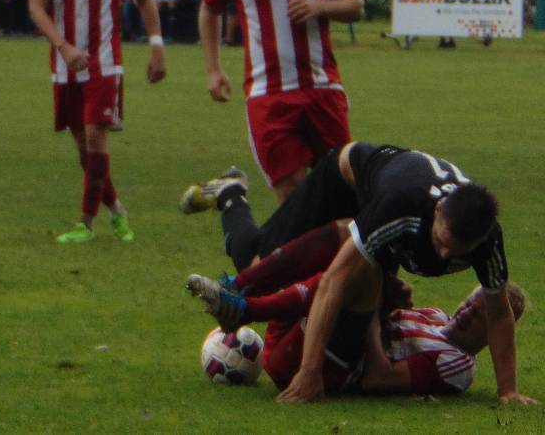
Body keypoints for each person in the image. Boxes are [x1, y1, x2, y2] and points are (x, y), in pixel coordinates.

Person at [180, 142, 537, 404]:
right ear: (440, 209)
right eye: (441, 242)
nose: (442, 257)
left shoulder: (487, 241)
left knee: (364, 274)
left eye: (455, 252)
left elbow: (500, 308)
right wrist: (310, 371)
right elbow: (336, 278)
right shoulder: (401, 208)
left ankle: (241, 292)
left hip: (386, 202)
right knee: (263, 266)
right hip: (345, 179)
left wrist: (508, 391)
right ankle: (233, 225)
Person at [198, 0, 363, 203]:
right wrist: (213, 69)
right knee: (289, 189)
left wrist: (320, 6)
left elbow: (356, 5)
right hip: (267, 94)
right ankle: (309, 251)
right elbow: (209, 10)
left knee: (341, 187)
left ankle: (335, 248)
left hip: (321, 88)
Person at [28, 0, 167, 243]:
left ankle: (85, 223)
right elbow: (36, 7)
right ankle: (118, 212)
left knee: (95, 137)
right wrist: (64, 46)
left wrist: (156, 45)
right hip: (64, 63)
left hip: (105, 61)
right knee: (83, 151)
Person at [187, 266, 527, 397]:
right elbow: (382, 322)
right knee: (333, 262)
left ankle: (243, 309)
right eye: (469, 302)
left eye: (478, 315)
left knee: (350, 277)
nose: (465, 312)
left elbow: (378, 378)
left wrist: (371, 306)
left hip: (318, 367)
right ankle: (233, 202)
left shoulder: (458, 366)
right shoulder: (435, 315)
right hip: (292, 346)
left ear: (494, 336)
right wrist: (389, 301)